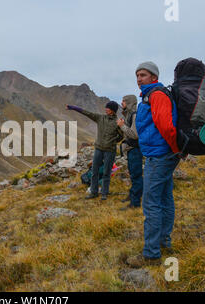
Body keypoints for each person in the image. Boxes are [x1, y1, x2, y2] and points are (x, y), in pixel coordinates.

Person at [126, 61, 181, 268]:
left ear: (154, 77)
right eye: (137, 75)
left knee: (151, 203)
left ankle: (151, 254)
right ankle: (164, 243)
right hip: (162, 154)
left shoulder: (156, 95)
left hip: (159, 156)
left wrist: (176, 149)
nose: (139, 79)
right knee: (165, 198)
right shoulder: (151, 96)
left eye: (143, 75)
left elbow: (166, 126)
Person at [66, 101, 123, 200]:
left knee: (106, 172)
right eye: (106, 108)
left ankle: (104, 193)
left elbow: (121, 135)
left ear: (113, 110)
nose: (106, 109)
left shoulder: (117, 122)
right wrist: (74, 107)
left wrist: (113, 141)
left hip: (110, 150)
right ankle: (94, 192)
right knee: (94, 171)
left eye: (108, 108)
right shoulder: (101, 118)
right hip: (99, 149)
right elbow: (88, 113)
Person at [117, 95, 143, 210]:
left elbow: (134, 135)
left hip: (135, 149)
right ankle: (133, 196)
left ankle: (135, 203)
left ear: (129, 103)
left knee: (136, 176)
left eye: (124, 101)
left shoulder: (135, 115)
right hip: (131, 150)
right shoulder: (128, 115)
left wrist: (122, 126)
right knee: (133, 175)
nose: (122, 103)